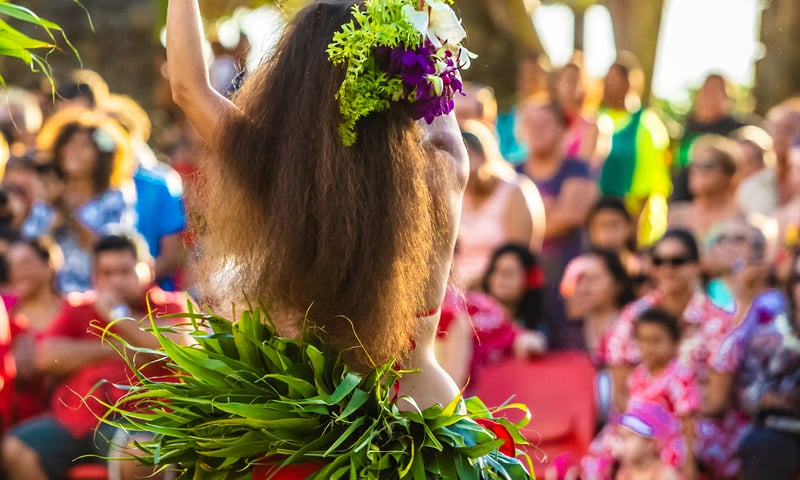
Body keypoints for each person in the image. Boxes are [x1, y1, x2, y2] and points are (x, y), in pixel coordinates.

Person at [158, 0, 528, 477]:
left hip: (302, 428)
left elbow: (188, 86)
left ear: (294, 82)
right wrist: (414, 17)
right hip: (418, 422)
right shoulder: (445, 162)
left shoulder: (270, 168)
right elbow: (437, 81)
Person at [1, 234, 189, 480]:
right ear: (94, 277)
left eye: (124, 271)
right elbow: (45, 356)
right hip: (75, 419)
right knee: (15, 449)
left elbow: (177, 347)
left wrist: (119, 315)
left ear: (149, 269)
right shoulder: (80, 309)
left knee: (142, 455)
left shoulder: (171, 306)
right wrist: (121, 348)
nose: (115, 282)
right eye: (107, 274)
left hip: (139, 419)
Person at [605, 229, 733, 415]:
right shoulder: (634, 315)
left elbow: (716, 402)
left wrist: (669, 423)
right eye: (658, 261)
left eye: (677, 261)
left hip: (699, 424)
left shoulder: (717, 321)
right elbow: (619, 396)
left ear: (698, 265)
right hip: (639, 424)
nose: (667, 268)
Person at [21, 109, 137, 293]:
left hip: (98, 296)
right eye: (70, 143)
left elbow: (111, 251)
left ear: (101, 154)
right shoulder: (49, 196)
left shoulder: (115, 196)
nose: (75, 151)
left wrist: (69, 215)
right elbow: (29, 248)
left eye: (85, 145)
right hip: (53, 297)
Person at [583, 308, 701, 480]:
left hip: (665, 439)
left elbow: (687, 421)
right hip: (637, 436)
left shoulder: (680, 375)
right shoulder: (637, 375)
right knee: (598, 452)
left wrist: (690, 463)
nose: (648, 348)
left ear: (675, 344)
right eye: (643, 341)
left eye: (656, 341)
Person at [516, 100, 598, 343]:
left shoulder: (577, 168)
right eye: (531, 124)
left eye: (545, 124)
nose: (536, 130)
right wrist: (549, 209)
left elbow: (570, 216)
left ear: (562, 128)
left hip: (565, 279)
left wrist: (526, 220)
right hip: (525, 280)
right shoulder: (513, 171)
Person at [101, 94, 187, 291]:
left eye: (119, 130)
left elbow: (171, 253)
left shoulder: (160, 183)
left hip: (150, 297)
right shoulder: (88, 182)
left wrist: (133, 287)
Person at [453, 120, 544, 288]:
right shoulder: (454, 194)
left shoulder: (515, 191)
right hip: (457, 288)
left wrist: (479, 283)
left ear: (484, 157)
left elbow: (518, 255)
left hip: (500, 287)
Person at [597, 55, 671, 246]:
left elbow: (651, 184)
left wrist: (633, 231)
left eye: (613, 79)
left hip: (636, 230)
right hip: (601, 229)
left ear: (630, 82)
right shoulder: (596, 119)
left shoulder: (647, 125)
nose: (606, 85)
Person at [5, 237, 64, 425]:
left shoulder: (72, 311)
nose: (17, 272)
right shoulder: (4, 309)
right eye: (12, 265)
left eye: (25, 263)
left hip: (59, 413)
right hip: (11, 415)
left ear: (49, 266)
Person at [672, 74, 746, 202]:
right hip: (684, 202)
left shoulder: (738, 131)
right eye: (705, 92)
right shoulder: (690, 128)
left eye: (714, 92)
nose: (708, 97)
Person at [668, 135, 742, 247]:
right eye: (694, 164)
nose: (697, 171)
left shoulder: (739, 218)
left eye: (707, 166)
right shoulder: (677, 216)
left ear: (728, 175)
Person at [481, 243, 550, 342]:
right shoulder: (476, 318)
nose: (501, 277)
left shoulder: (538, 327)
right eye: (496, 270)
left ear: (530, 280)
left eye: (509, 273)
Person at [612, 402, 682, 480]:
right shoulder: (624, 475)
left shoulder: (665, 475)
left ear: (650, 443)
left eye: (628, 437)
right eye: (622, 438)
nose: (623, 444)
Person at [550, 61, 599, 163]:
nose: (572, 86)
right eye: (568, 81)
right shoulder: (547, 120)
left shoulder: (591, 126)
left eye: (576, 81)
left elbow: (584, 164)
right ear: (557, 84)